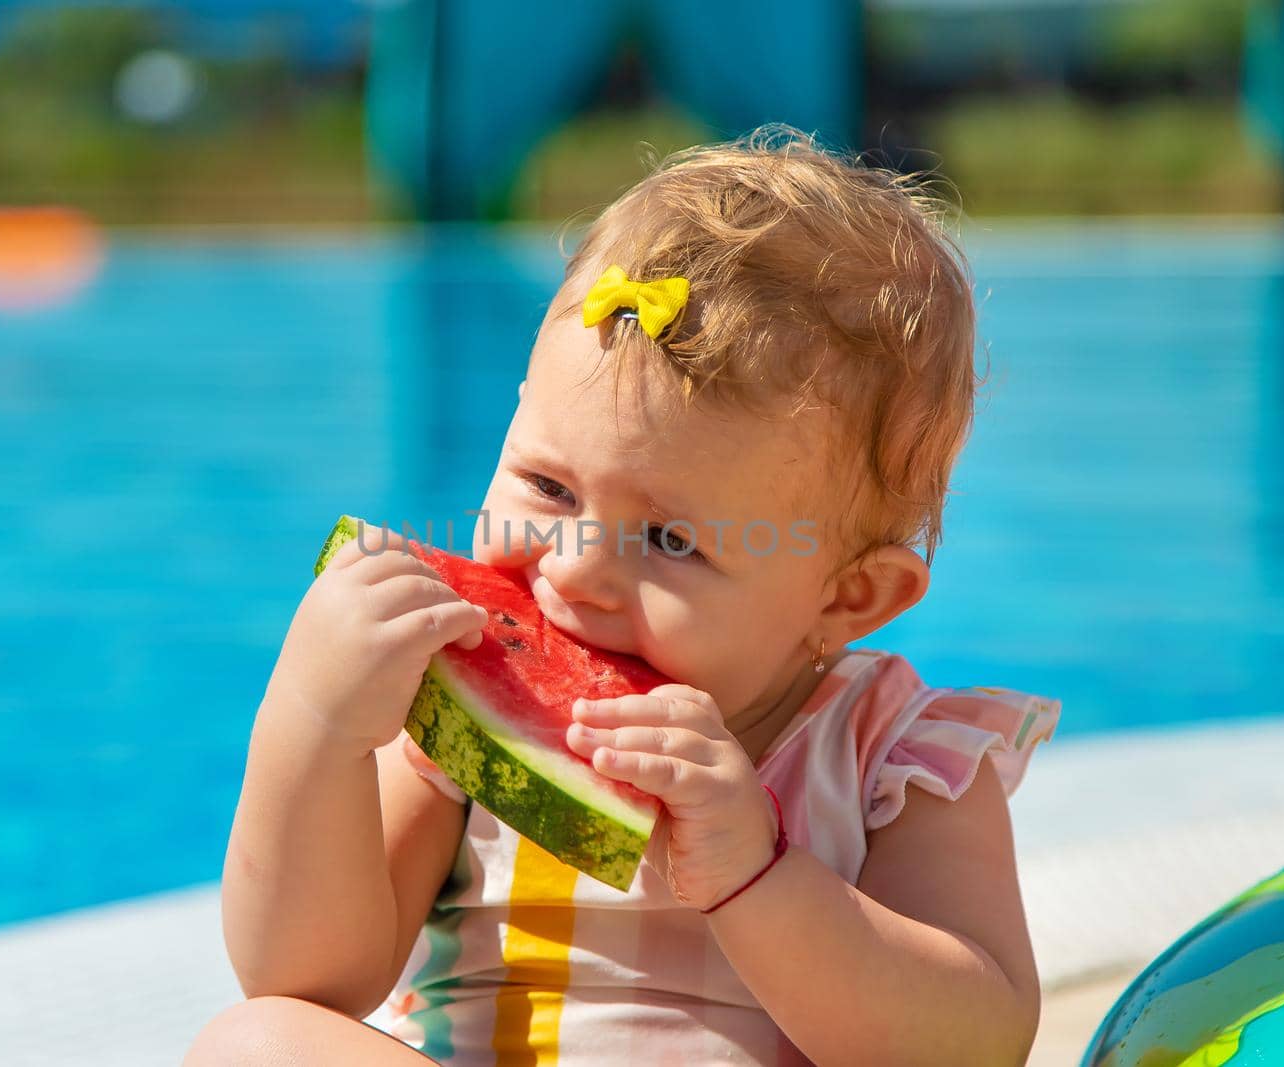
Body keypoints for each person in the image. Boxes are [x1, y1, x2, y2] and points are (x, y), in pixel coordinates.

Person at [186, 124, 1060, 1066]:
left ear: (849, 597)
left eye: (671, 540)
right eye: (548, 488)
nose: (571, 571)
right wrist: (312, 727)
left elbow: (978, 1041)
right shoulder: (450, 708)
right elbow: (314, 976)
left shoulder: (894, 758)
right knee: (258, 1038)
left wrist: (758, 875)